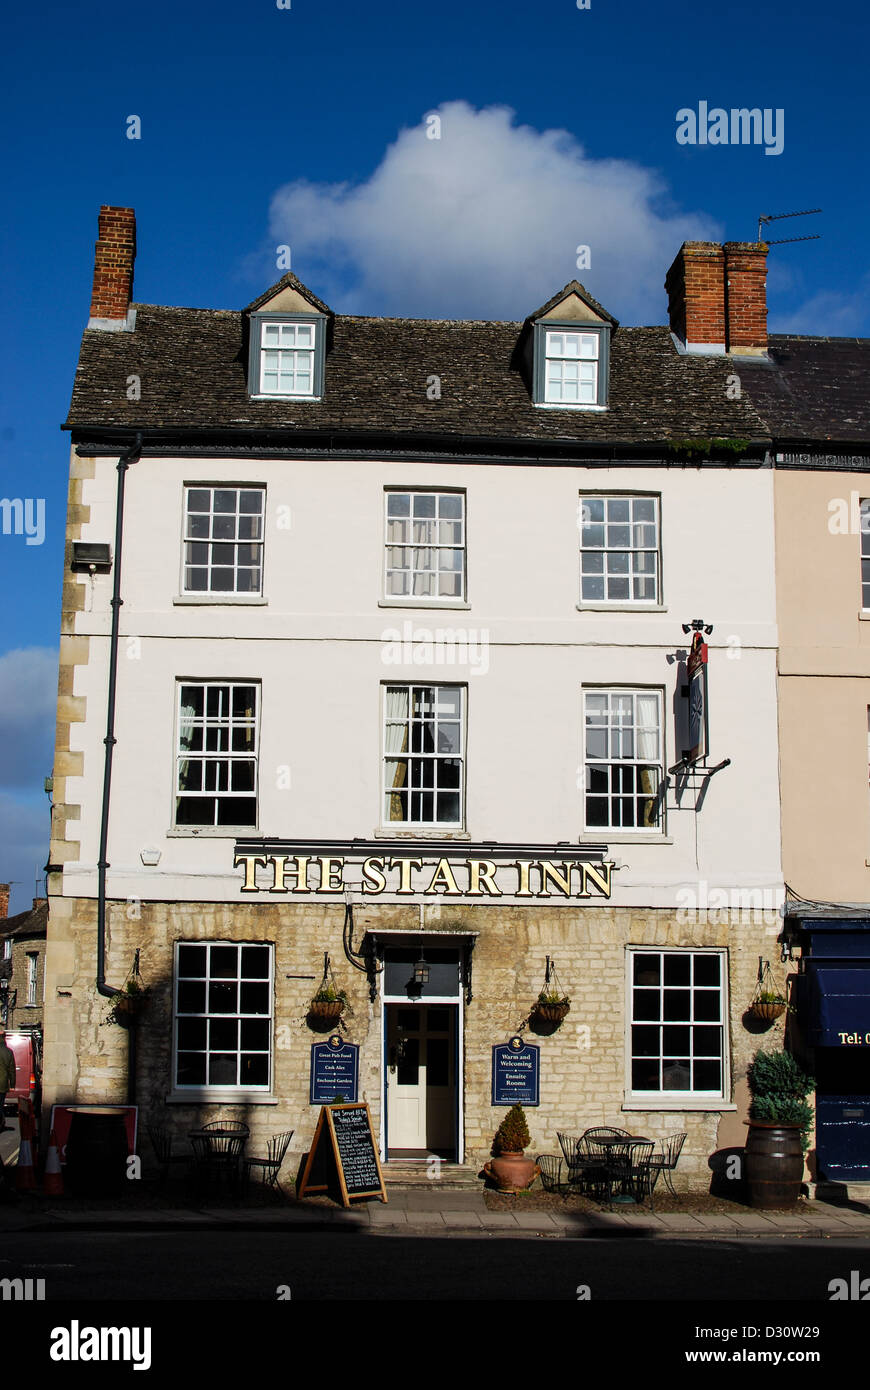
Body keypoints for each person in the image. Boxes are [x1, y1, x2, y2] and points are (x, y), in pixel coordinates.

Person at [0, 1030, 16, 1133]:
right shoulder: (8, 1052)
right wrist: (13, 1084)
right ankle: (1, 1123)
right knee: (0, 1105)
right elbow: (11, 1069)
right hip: (2, 1084)